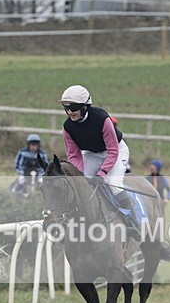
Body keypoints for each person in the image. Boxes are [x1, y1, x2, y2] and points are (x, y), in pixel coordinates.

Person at [59, 84, 140, 239]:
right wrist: (80, 175)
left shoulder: (102, 119)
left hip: (115, 150)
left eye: (74, 107)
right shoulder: (67, 127)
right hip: (91, 154)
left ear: (85, 106)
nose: (70, 112)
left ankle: (133, 223)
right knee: (84, 184)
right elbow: (74, 156)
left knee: (113, 184)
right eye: (66, 107)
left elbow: (113, 151)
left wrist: (102, 173)